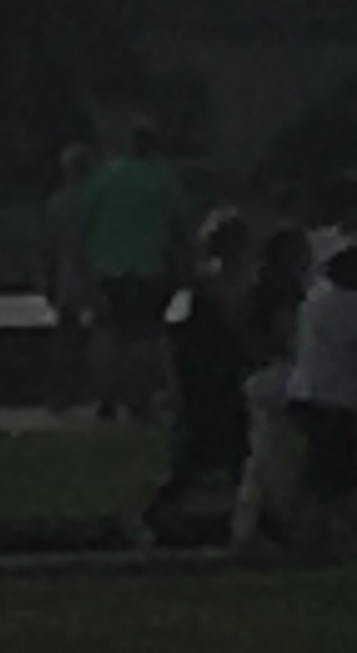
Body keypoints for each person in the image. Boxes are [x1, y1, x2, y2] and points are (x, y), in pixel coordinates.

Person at [136, 210, 253, 544]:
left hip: (225, 377)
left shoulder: (236, 284)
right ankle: (156, 515)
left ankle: (249, 521)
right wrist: (173, 381)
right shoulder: (198, 290)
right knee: (193, 459)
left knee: (236, 456)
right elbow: (173, 339)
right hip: (201, 381)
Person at [283, 238, 357, 556]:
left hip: (303, 391)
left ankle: (323, 532)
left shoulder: (315, 298)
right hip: (333, 397)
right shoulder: (353, 304)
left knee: (324, 468)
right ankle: (316, 535)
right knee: (334, 473)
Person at [80, 123, 189, 422]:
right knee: (144, 334)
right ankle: (139, 399)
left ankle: (105, 396)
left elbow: (84, 223)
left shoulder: (103, 178)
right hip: (147, 266)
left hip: (106, 266)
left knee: (108, 334)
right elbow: (179, 222)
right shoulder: (162, 178)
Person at [226, 223, 311, 555]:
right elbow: (286, 333)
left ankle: (254, 528)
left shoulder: (255, 288)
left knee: (262, 458)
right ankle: (261, 529)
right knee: (269, 461)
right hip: (276, 373)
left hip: (255, 372)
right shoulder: (284, 291)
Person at [41, 143, 98, 413]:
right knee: (103, 331)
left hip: (69, 272)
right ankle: (97, 387)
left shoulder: (57, 203)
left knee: (67, 333)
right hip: (98, 267)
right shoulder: (97, 198)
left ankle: (61, 391)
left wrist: (49, 277)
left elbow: (51, 245)